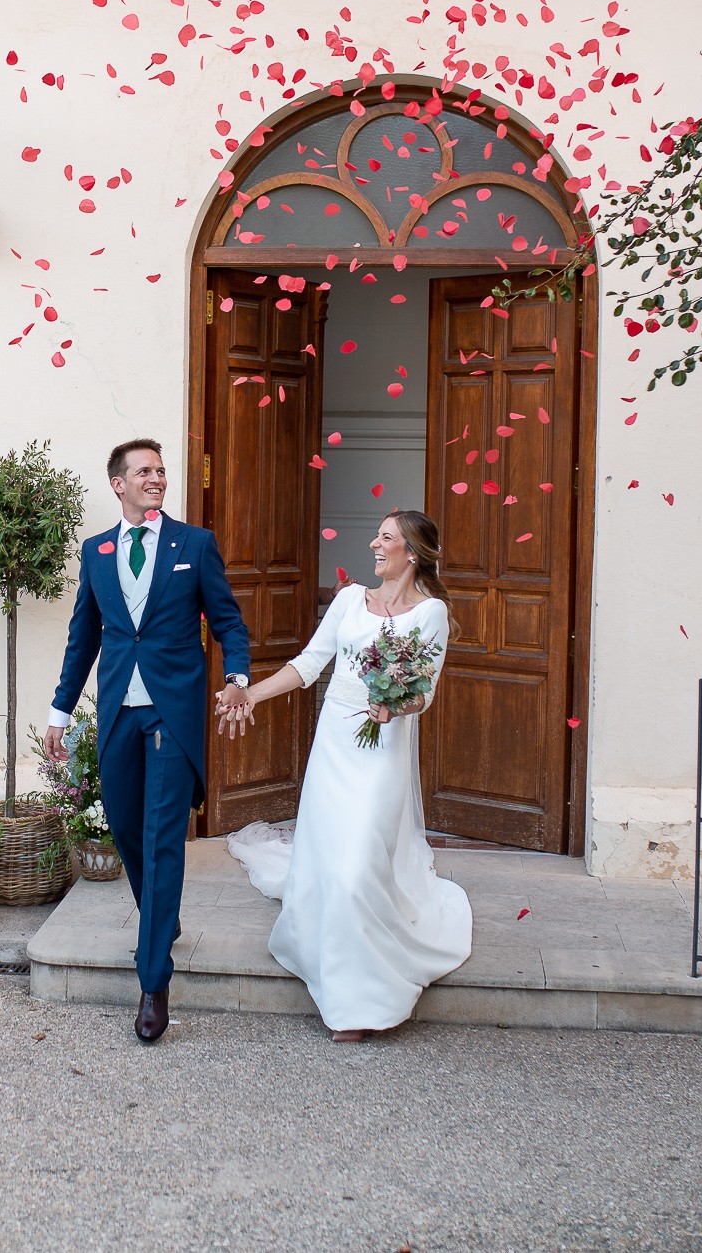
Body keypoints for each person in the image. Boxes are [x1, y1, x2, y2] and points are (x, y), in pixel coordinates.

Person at [219, 511, 471, 1041]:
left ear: (414, 553)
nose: (374, 544)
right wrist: (250, 694)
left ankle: (366, 999)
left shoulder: (432, 615)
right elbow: (309, 665)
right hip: (335, 741)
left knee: (357, 867)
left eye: (386, 538)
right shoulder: (349, 599)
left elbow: (424, 692)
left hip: (382, 750)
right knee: (331, 862)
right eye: (377, 535)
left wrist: (395, 706)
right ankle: (343, 991)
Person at [45, 439, 252, 1043]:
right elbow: (83, 638)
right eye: (145, 472)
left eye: (161, 472)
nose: (157, 479)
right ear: (119, 485)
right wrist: (58, 712)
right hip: (118, 713)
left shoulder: (195, 546)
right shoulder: (97, 550)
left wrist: (237, 676)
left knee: (163, 839)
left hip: (172, 713)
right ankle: (164, 916)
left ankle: (153, 979)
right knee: (126, 825)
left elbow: (229, 621)